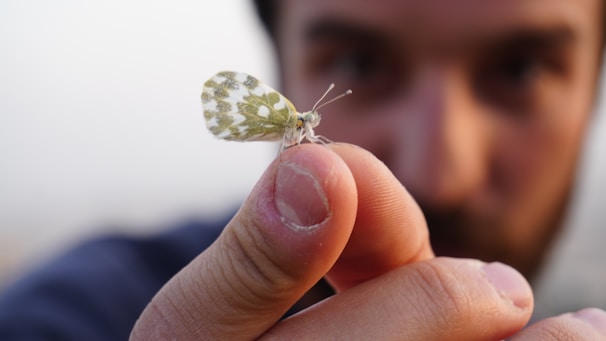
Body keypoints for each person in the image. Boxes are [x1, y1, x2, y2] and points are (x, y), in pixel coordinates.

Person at [1, 0, 606, 339]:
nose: (439, 172)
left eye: (521, 69)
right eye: (356, 62)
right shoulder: (65, 318)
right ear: (279, 54)